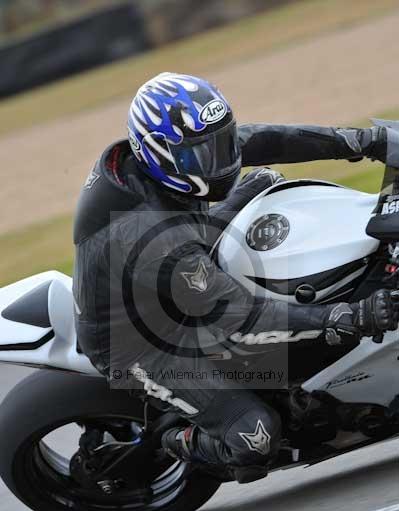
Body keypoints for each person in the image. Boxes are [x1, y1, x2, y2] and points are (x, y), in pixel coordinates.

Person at [73, 72, 398, 484]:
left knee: (265, 183)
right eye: (202, 154)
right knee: (254, 438)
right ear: (157, 151)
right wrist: (345, 316)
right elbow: (235, 312)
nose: (220, 159)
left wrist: (363, 142)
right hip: (139, 343)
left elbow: (264, 140)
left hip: (180, 258)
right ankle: (175, 438)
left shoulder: (170, 157)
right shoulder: (146, 236)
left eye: (220, 143)